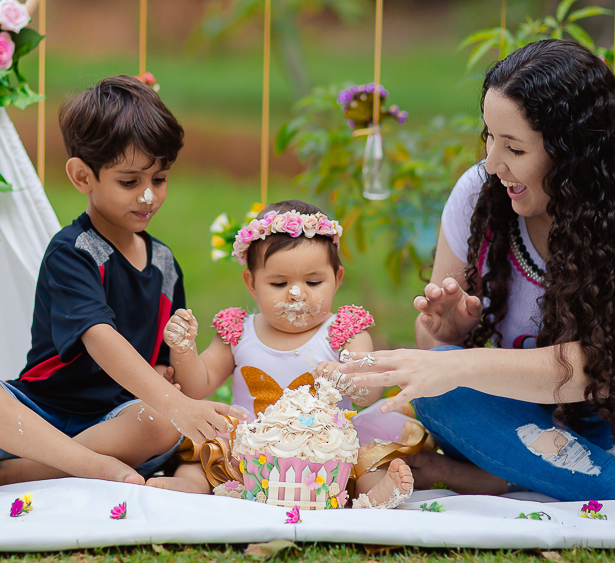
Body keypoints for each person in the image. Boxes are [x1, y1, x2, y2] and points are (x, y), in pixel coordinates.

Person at [337, 39, 615, 507]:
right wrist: (446, 331)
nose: (491, 163)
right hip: (518, 418)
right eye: (489, 136)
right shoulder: (477, 194)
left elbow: (600, 369)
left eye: (514, 147)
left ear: (575, 153)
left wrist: (456, 365)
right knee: (439, 390)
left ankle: (504, 475)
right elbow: (437, 351)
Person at [0, 75, 246, 495]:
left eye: (159, 179)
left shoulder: (165, 265)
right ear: (83, 176)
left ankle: (14, 474)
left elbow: (163, 366)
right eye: (129, 182)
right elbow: (99, 338)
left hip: (118, 426)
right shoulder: (73, 251)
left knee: (159, 421)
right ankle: (89, 466)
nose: (148, 196)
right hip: (37, 418)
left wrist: (174, 387)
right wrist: (176, 403)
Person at [147, 200, 417, 508]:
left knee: (363, 458)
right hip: (250, 448)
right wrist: (184, 350)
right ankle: (192, 483)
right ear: (251, 283)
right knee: (205, 450)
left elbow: (369, 392)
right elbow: (198, 385)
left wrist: (348, 378)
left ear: (337, 278)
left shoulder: (344, 331)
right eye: (279, 283)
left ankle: (374, 491)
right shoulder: (238, 330)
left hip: (325, 452)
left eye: (313, 282)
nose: (296, 293)